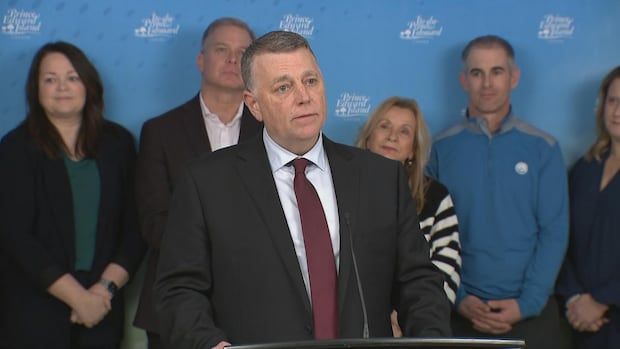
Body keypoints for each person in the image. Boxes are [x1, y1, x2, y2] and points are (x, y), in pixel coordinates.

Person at [155, 30, 451, 349]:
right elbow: (179, 291)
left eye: (310, 81)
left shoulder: (380, 177)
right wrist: (210, 343)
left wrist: (431, 340)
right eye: (284, 87)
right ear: (254, 105)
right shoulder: (207, 182)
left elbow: (418, 283)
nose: (304, 96)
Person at [0, 41, 145, 348]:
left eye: (72, 77)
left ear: (88, 84)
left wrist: (102, 291)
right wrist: (78, 298)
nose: (61, 87)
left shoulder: (118, 143)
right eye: (50, 79)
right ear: (35, 90)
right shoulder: (15, 148)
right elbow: (16, 236)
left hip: (103, 305)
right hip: (34, 310)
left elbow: (135, 228)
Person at [427, 35, 569, 349]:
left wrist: (528, 302)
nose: (487, 83)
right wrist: (459, 297)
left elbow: (554, 231)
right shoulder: (439, 148)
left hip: (531, 314)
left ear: (514, 78)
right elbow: (430, 235)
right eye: (477, 73)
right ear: (464, 80)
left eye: (497, 71)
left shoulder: (543, 148)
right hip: (460, 313)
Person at [133, 17, 261, 349]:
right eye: (222, 49)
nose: (233, 59)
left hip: (257, 305)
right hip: (177, 304)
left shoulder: (273, 134)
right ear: (201, 60)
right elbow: (153, 221)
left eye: (242, 52)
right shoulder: (160, 132)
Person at [356, 97, 461, 336]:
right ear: (369, 136)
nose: (392, 136)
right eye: (384, 126)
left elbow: (446, 268)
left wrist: (404, 319)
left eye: (404, 131)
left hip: (415, 329)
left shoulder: (435, 197)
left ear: (413, 148)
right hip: (355, 327)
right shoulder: (340, 189)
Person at [556, 66, 620, 348]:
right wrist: (574, 298)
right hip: (577, 320)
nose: (617, 111)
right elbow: (559, 238)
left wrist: (604, 299)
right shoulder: (584, 169)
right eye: (613, 100)